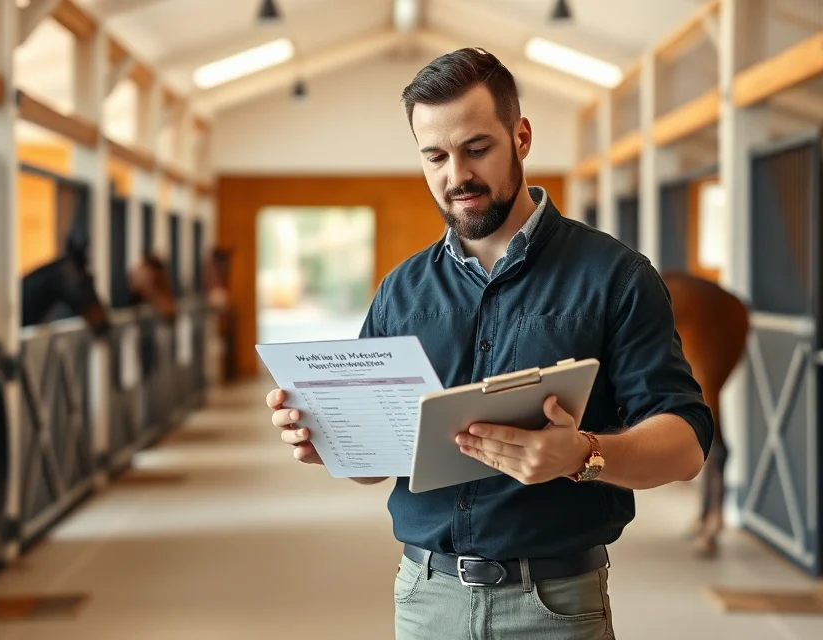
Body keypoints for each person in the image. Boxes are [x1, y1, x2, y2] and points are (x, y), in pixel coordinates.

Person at [265, 47, 713, 640]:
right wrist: (334, 440)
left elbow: (685, 445)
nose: (457, 176)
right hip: (425, 601)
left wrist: (582, 454)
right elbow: (377, 468)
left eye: (477, 149)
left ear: (521, 137)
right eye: (435, 156)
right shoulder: (401, 290)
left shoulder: (616, 276)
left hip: (555, 608)